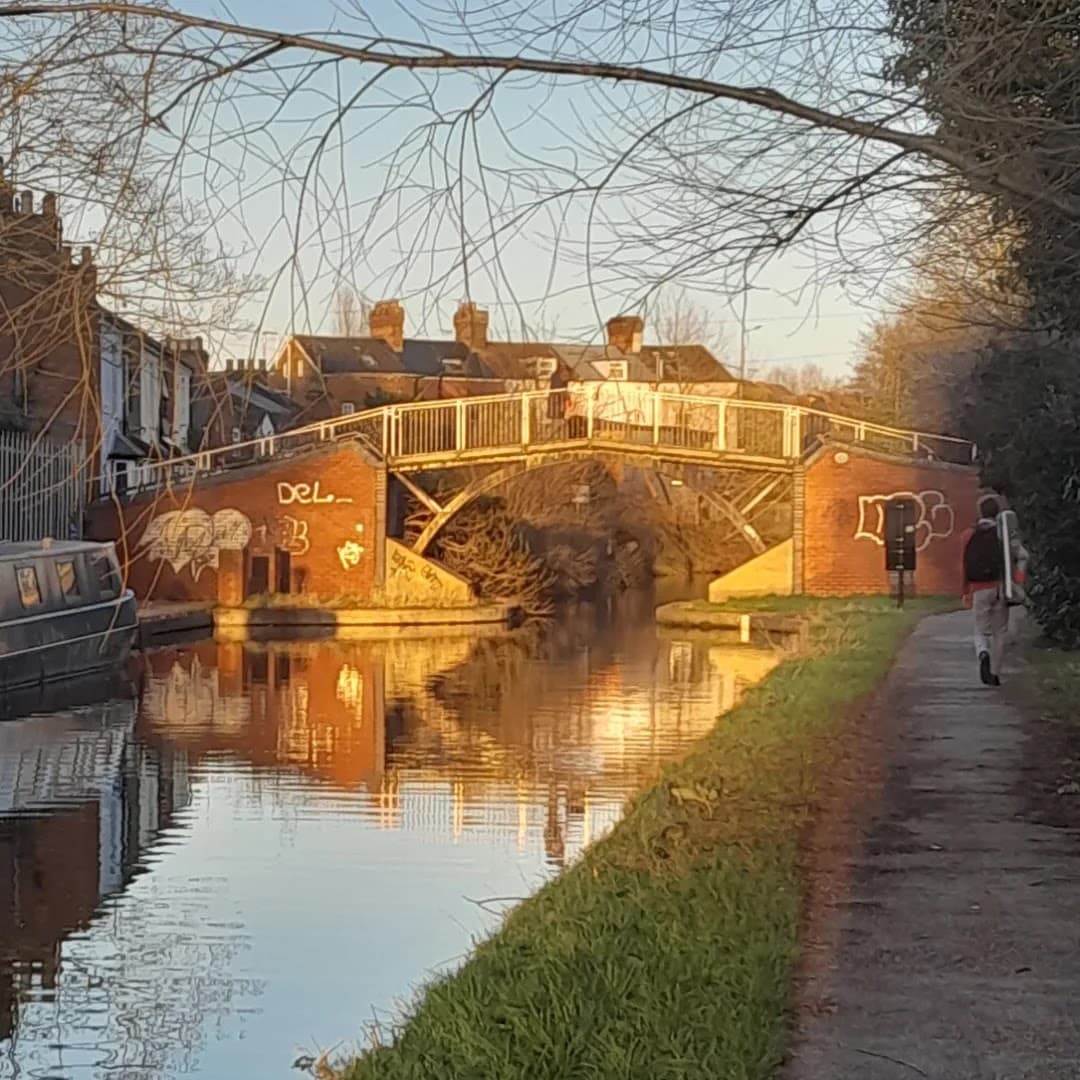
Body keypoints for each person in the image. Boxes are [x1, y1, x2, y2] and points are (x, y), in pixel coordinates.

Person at [961, 495, 1027, 686]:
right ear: (998, 512)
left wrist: (965, 591)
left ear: (980, 512)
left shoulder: (969, 535)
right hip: (1001, 587)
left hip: (979, 588)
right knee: (1000, 632)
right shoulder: (1005, 535)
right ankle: (995, 674)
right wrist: (1018, 583)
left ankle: (983, 653)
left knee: (980, 630)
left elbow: (964, 565)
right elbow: (1022, 556)